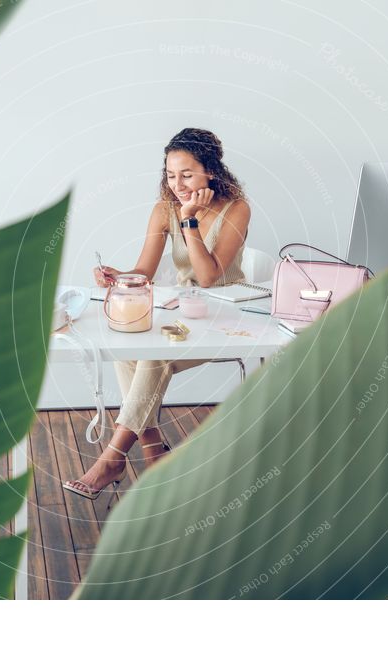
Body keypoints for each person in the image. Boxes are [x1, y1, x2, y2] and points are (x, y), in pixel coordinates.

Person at [63, 127, 250, 500]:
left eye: (187, 174)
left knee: (154, 357)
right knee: (132, 343)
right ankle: (153, 455)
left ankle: (114, 457)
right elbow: (144, 273)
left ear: (210, 170)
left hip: (226, 316)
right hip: (183, 311)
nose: (177, 184)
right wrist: (118, 275)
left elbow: (210, 277)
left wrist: (190, 220)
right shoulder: (163, 208)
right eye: (170, 174)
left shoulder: (236, 208)